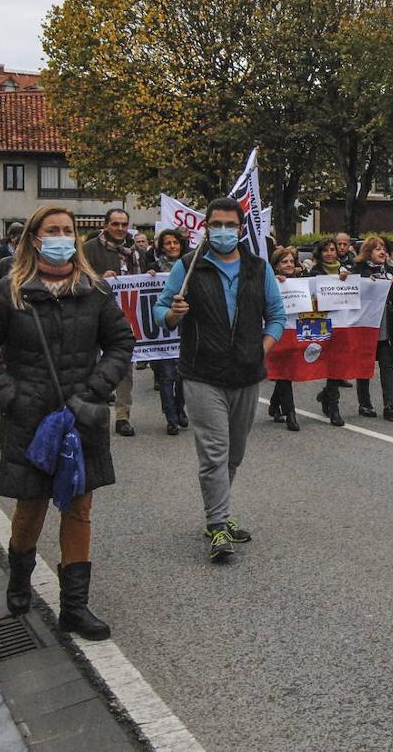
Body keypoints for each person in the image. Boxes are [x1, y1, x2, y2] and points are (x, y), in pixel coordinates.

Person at [0, 205, 135, 641]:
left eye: (68, 230)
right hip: (29, 418)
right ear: (35, 238)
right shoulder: (10, 291)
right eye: (53, 230)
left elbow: (120, 344)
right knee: (31, 507)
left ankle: (74, 608)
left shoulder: (95, 291)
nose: (62, 236)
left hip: (83, 416)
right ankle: (20, 574)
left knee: (79, 508)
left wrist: (96, 389)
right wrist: (11, 396)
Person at [154, 197, 285, 563]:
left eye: (230, 225)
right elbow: (162, 309)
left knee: (234, 453)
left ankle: (220, 513)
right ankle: (218, 525)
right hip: (202, 374)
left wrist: (262, 347)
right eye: (217, 224)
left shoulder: (258, 268)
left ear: (241, 229)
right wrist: (173, 314)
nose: (223, 231)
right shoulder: (188, 266)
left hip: (246, 375)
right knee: (214, 451)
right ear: (206, 227)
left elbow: (277, 314)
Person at [83, 208, 143, 436]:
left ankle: (122, 416)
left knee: (125, 367)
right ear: (105, 225)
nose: (120, 229)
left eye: (123, 224)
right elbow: (76, 279)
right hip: (92, 317)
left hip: (122, 319)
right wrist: (98, 280)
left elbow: (142, 281)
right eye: (115, 224)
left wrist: (150, 277)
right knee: (92, 365)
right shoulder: (88, 250)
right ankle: (91, 410)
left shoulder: (134, 253)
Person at [353, 236, 393, 421]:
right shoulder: (359, 270)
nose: (382, 252)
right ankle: (364, 403)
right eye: (376, 249)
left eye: (383, 248)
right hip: (366, 327)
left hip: (385, 327)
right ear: (368, 253)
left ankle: (389, 404)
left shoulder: (389, 269)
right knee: (364, 367)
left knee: (387, 366)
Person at [147, 229, 190, 435]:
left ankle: (180, 408)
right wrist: (149, 276)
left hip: (185, 327)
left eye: (175, 242)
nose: (172, 246)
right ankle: (170, 416)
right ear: (161, 247)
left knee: (183, 374)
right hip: (163, 330)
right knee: (166, 375)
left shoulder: (190, 266)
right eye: (167, 243)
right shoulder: (154, 268)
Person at [307, 237, 352, 426]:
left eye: (332, 249)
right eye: (325, 250)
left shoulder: (346, 270)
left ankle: (333, 406)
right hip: (321, 322)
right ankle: (279, 402)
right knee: (318, 360)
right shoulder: (314, 271)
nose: (330, 253)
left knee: (336, 363)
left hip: (341, 323)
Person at [268, 246, 301, 432]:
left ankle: (274, 404)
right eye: (284, 262)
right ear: (276, 265)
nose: (288, 265)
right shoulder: (270, 281)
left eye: (290, 261)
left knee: (285, 372)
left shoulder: (302, 279)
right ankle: (291, 414)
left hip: (296, 330)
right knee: (285, 371)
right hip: (278, 331)